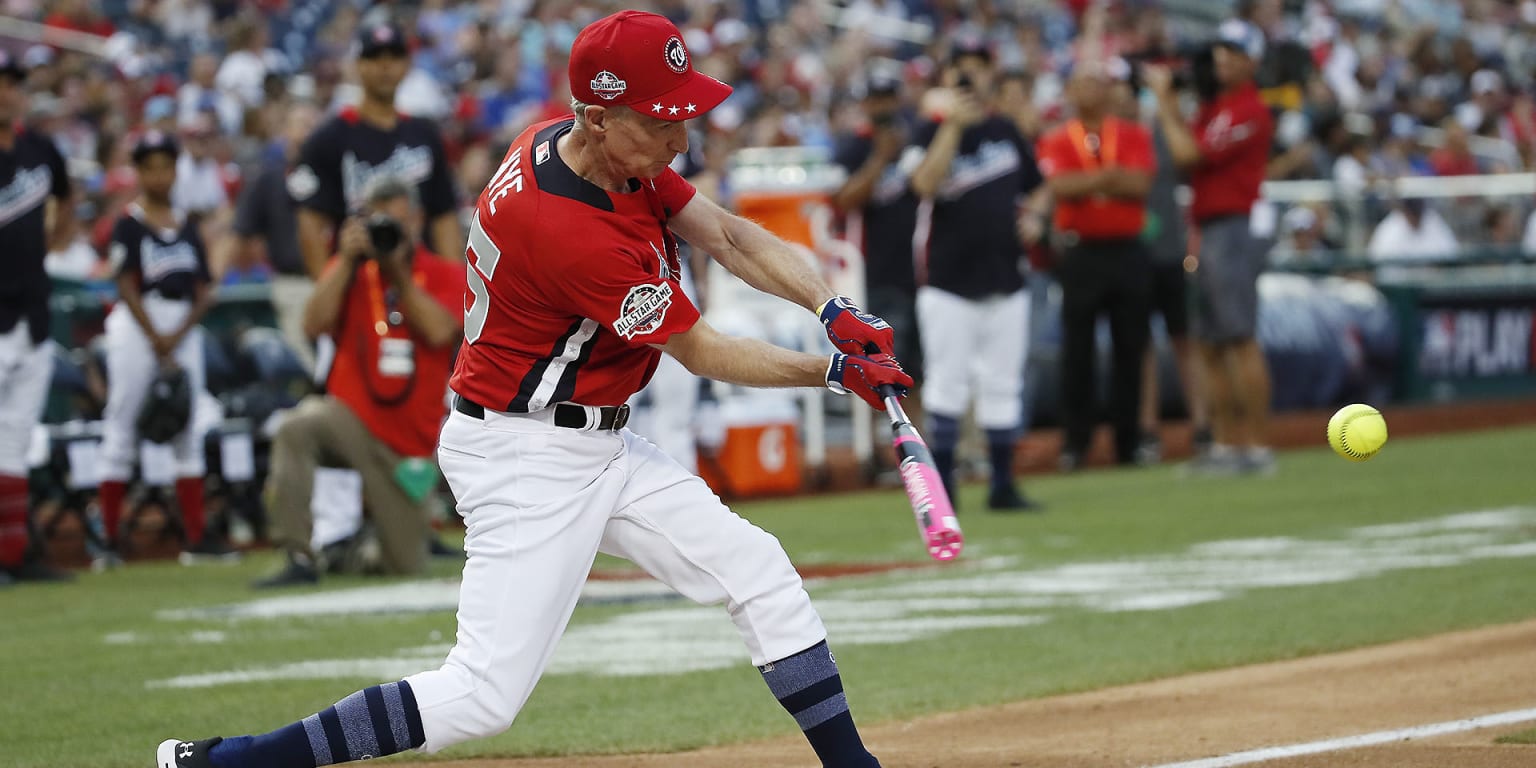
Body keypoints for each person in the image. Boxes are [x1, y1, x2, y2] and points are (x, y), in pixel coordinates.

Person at [158, 11, 906, 768]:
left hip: (590, 439)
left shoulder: (580, 147)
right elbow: (701, 350)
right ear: (597, 115)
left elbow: (729, 234)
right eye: (658, 120)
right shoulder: (571, 230)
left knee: (758, 570)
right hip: (526, 455)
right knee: (481, 694)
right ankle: (229, 763)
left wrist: (831, 309)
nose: (680, 138)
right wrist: (833, 370)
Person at [253, 176, 463, 588]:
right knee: (296, 429)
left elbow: (441, 332)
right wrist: (347, 261)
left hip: (408, 442)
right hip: (351, 417)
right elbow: (312, 324)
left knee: (404, 563)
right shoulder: (353, 271)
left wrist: (398, 274)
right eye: (381, 224)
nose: (391, 234)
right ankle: (298, 553)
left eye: (399, 224)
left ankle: (351, 551)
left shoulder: (444, 273)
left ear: (418, 220)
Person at [909, 37, 1046, 510]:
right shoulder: (928, 131)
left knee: (1003, 383)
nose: (970, 79)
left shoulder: (1006, 129)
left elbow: (1040, 187)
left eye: (978, 69)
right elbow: (923, 184)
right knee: (947, 384)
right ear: (946, 79)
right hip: (948, 280)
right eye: (961, 70)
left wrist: (1039, 215)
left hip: (1005, 275)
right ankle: (945, 488)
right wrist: (951, 128)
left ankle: (1002, 485)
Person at [1145, 19, 1277, 476]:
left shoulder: (1248, 108)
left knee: (1238, 336)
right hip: (1205, 227)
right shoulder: (1218, 105)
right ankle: (1226, 444)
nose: (1221, 60)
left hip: (1233, 227)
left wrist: (1164, 102)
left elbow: (1187, 155)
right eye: (1219, 52)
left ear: (1251, 60)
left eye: (1232, 53)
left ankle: (1256, 445)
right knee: (1209, 341)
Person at [97, 131, 227, 558]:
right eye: (149, 166)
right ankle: (109, 541)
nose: (159, 175)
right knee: (122, 420)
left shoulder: (187, 223)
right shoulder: (128, 222)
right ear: (138, 172)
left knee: (188, 427)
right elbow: (124, 284)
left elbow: (204, 287)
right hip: (139, 325)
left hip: (181, 324)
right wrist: (157, 337)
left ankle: (195, 539)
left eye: (165, 165)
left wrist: (177, 333)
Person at [1036, 61, 1154, 470]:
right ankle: (1075, 442)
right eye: (1081, 83)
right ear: (1069, 91)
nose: (1088, 91)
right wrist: (1111, 178)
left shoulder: (1133, 133)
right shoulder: (1057, 138)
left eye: (1095, 83)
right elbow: (1059, 186)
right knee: (1077, 350)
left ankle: (1130, 441)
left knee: (1130, 347)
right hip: (1082, 250)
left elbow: (1139, 184)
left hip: (1127, 249)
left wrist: (1088, 183)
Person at [289, 20, 462, 284]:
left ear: (406, 65)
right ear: (358, 65)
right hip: (357, 282)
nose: (385, 66)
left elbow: (443, 215)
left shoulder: (424, 134)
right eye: (374, 57)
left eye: (394, 56)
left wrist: (455, 285)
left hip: (420, 278)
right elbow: (310, 222)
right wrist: (326, 289)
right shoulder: (328, 138)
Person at [1110, 64, 1210, 464]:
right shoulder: (1109, 140)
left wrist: (1165, 101)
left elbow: (1189, 158)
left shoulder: (1157, 132)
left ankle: (1203, 423)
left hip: (1169, 251)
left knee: (1185, 340)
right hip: (1131, 253)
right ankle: (1147, 428)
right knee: (1141, 347)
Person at [0, 50, 75, 584]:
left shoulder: (40, 147)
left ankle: (12, 554)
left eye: (12, 83)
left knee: (18, 438)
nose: (6, 92)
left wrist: (52, 241)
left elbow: (67, 200)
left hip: (33, 309)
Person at [831, 67, 924, 473]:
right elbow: (843, 200)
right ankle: (887, 454)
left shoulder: (917, 140)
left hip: (922, 267)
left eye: (889, 97)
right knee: (884, 364)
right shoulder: (854, 147)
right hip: (877, 271)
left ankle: (921, 450)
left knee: (920, 365)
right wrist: (881, 158)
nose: (884, 107)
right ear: (866, 104)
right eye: (877, 99)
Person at [229, 102, 322, 370]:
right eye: (301, 125)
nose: (308, 132)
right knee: (305, 365)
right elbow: (240, 233)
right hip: (292, 282)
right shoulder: (269, 179)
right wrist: (215, 278)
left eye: (313, 125)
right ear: (285, 132)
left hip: (335, 281)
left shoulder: (336, 176)